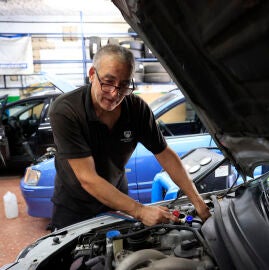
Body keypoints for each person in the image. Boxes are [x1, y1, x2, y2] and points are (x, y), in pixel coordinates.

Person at [49, 44, 210, 229]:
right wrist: (140, 211)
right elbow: (88, 178)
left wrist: (197, 201)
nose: (115, 94)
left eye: (124, 84)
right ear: (92, 73)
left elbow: (164, 153)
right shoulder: (66, 111)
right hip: (74, 207)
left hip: (117, 200)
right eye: (108, 82)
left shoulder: (136, 109)